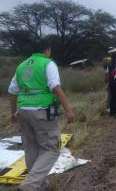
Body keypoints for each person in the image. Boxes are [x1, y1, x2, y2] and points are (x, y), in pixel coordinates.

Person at [8, 40, 75, 191]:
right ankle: (29, 185)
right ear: (47, 50)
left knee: (31, 148)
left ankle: (39, 186)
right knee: (51, 149)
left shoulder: (22, 65)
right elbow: (56, 88)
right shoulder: (47, 63)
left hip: (23, 110)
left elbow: (12, 91)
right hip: (41, 111)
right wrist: (68, 110)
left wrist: (13, 113)